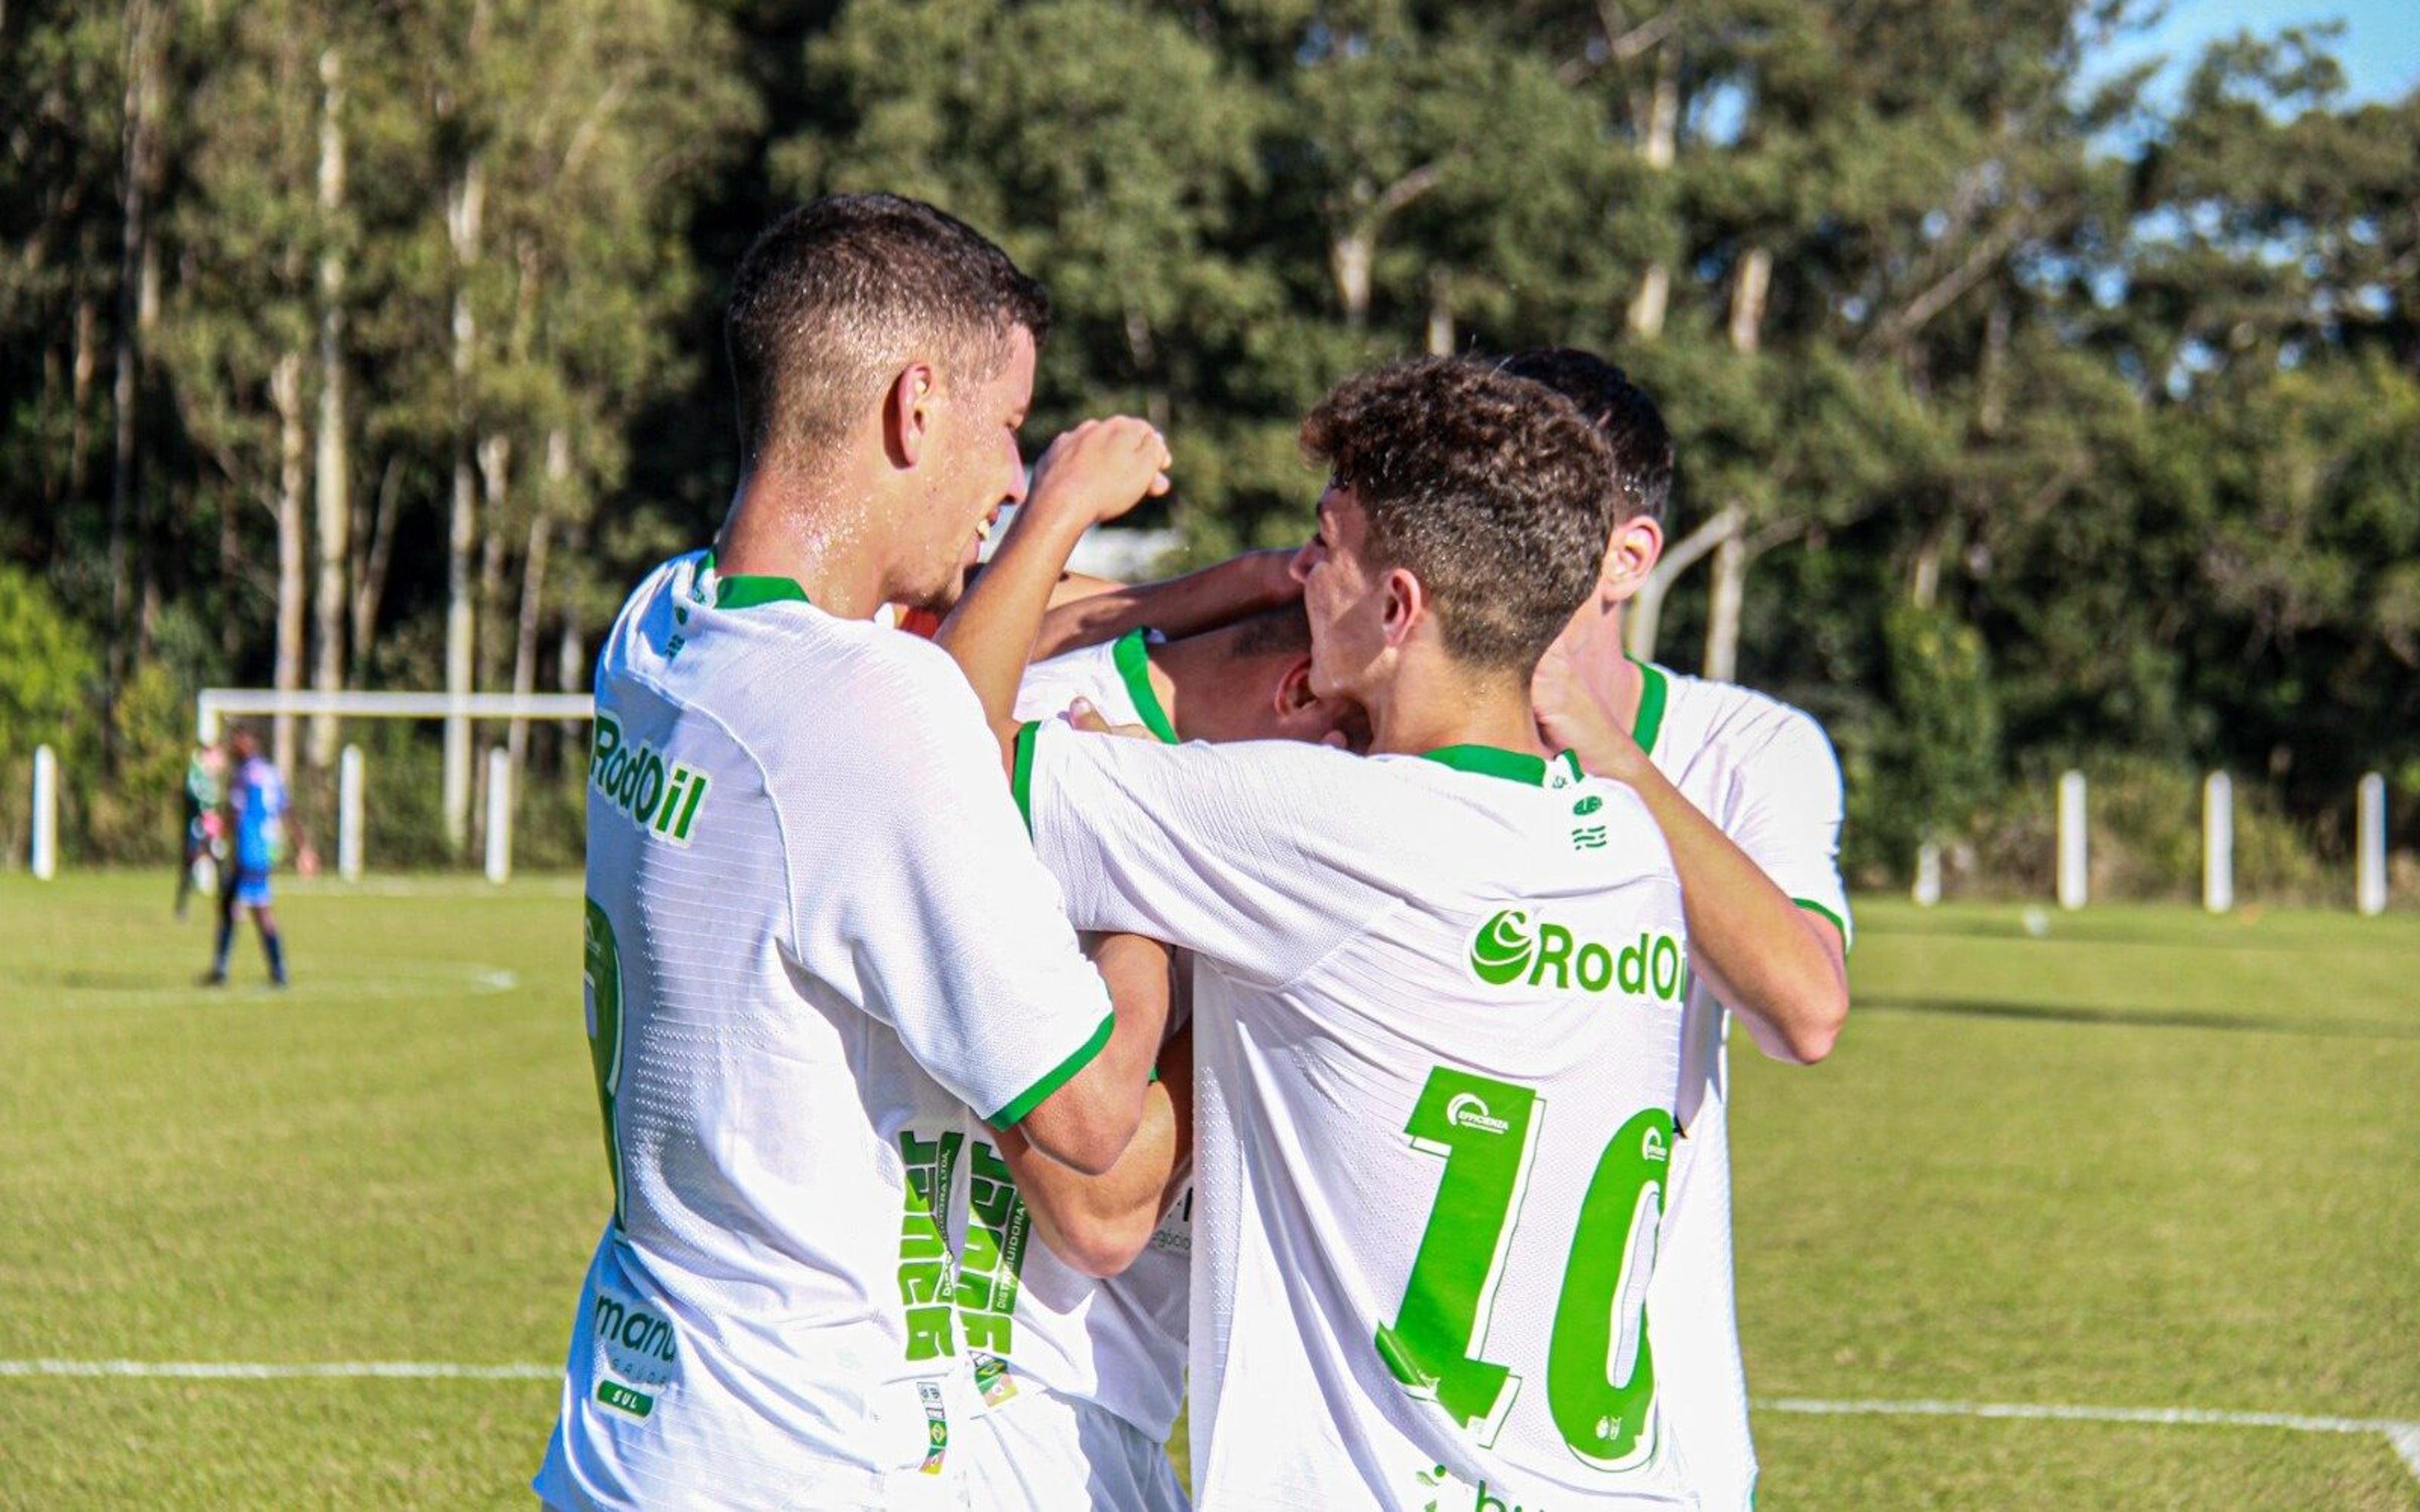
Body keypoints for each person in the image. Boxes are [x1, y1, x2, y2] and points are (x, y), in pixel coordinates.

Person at [945, 356, 1701, 1508]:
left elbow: (936, 752)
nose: (1302, 578)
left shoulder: (1316, 824)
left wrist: (1051, 514)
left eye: (1325, 549)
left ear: (1397, 609)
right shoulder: (1630, 849)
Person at [531, 193, 1175, 1512]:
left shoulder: (657, 627)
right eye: (1006, 430)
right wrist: (1155, 869)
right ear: (915, 408)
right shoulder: (870, 707)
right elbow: (1095, 1120)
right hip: (805, 1462)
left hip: (631, 1437)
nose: (1013, 479)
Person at [1514, 347, 1852, 1512]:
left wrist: (1607, 757)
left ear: (1627, 557)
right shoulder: (1356, 737)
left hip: (1648, 1445)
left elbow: (1804, 1010)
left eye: (1523, 515)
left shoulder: (1749, 748)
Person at [945, 602, 1364, 1512]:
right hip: (1005, 1402)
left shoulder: (1156, 785)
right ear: (1304, 695)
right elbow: (1096, 1207)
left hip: (1111, 1415)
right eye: (1361, 766)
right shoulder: (1057, 768)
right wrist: (1154, 893)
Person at [204, 726, 296, 987]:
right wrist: (303, 846)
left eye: (237, 742)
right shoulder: (271, 773)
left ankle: (226, 969)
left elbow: (235, 811)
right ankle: (275, 970)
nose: (234, 747)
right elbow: (286, 809)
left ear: (248, 743)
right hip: (266, 850)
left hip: (248, 849)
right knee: (247, 907)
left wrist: (219, 831)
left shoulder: (244, 775)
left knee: (248, 908)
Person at [176, 741, 226, 919]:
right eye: (219, 756)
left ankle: (225, 906)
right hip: (198, 826)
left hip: (211, 827)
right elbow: (194, 797)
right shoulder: (197, 774)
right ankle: (182, 907)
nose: (222, 762)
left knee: (220, 862)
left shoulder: (211, 777)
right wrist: (205, 815)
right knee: (190, 863)